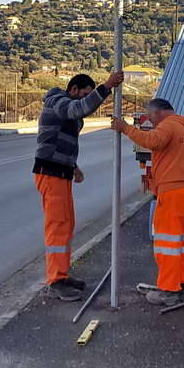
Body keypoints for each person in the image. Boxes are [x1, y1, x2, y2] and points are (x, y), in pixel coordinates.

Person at [34, 70, 125, 301]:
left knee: (65, 225)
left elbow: (61, 140)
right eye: (84, 94)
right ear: (73, 89)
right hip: (50, 172)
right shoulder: (58, 101)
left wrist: (73, 166)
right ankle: (55, 281)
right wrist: (106, 86)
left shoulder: (68, 109)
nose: (86, 99)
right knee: (58, 226)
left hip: (61, 172)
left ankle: (62, 275)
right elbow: (78, 108)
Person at [111, 98, 184, 307]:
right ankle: (183, 284)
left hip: (173, 193)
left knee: (168, 244)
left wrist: (125, 128)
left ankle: (169, 291)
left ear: (158, 113)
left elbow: (153, 141)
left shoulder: (168, 125)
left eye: (151, 117)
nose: (151, 121)